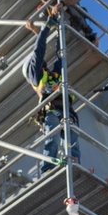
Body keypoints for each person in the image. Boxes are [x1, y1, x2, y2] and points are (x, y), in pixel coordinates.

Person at [23, 19, 80, 177]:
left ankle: (75, 165)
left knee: (73, 140)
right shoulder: (36, 76)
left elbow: (61, 55)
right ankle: (48, 169)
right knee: (52, 140)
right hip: (52, 111)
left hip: (68, 111)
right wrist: (46, 27)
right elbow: (38, 51)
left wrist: (59, 34)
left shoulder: (54, 74)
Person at [30, 0, 98, 47]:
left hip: (84, 32)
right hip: (71, 43)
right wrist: (33, 28)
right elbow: (43, 35)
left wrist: (62, 3)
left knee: (92, 48)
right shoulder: (45, 11)